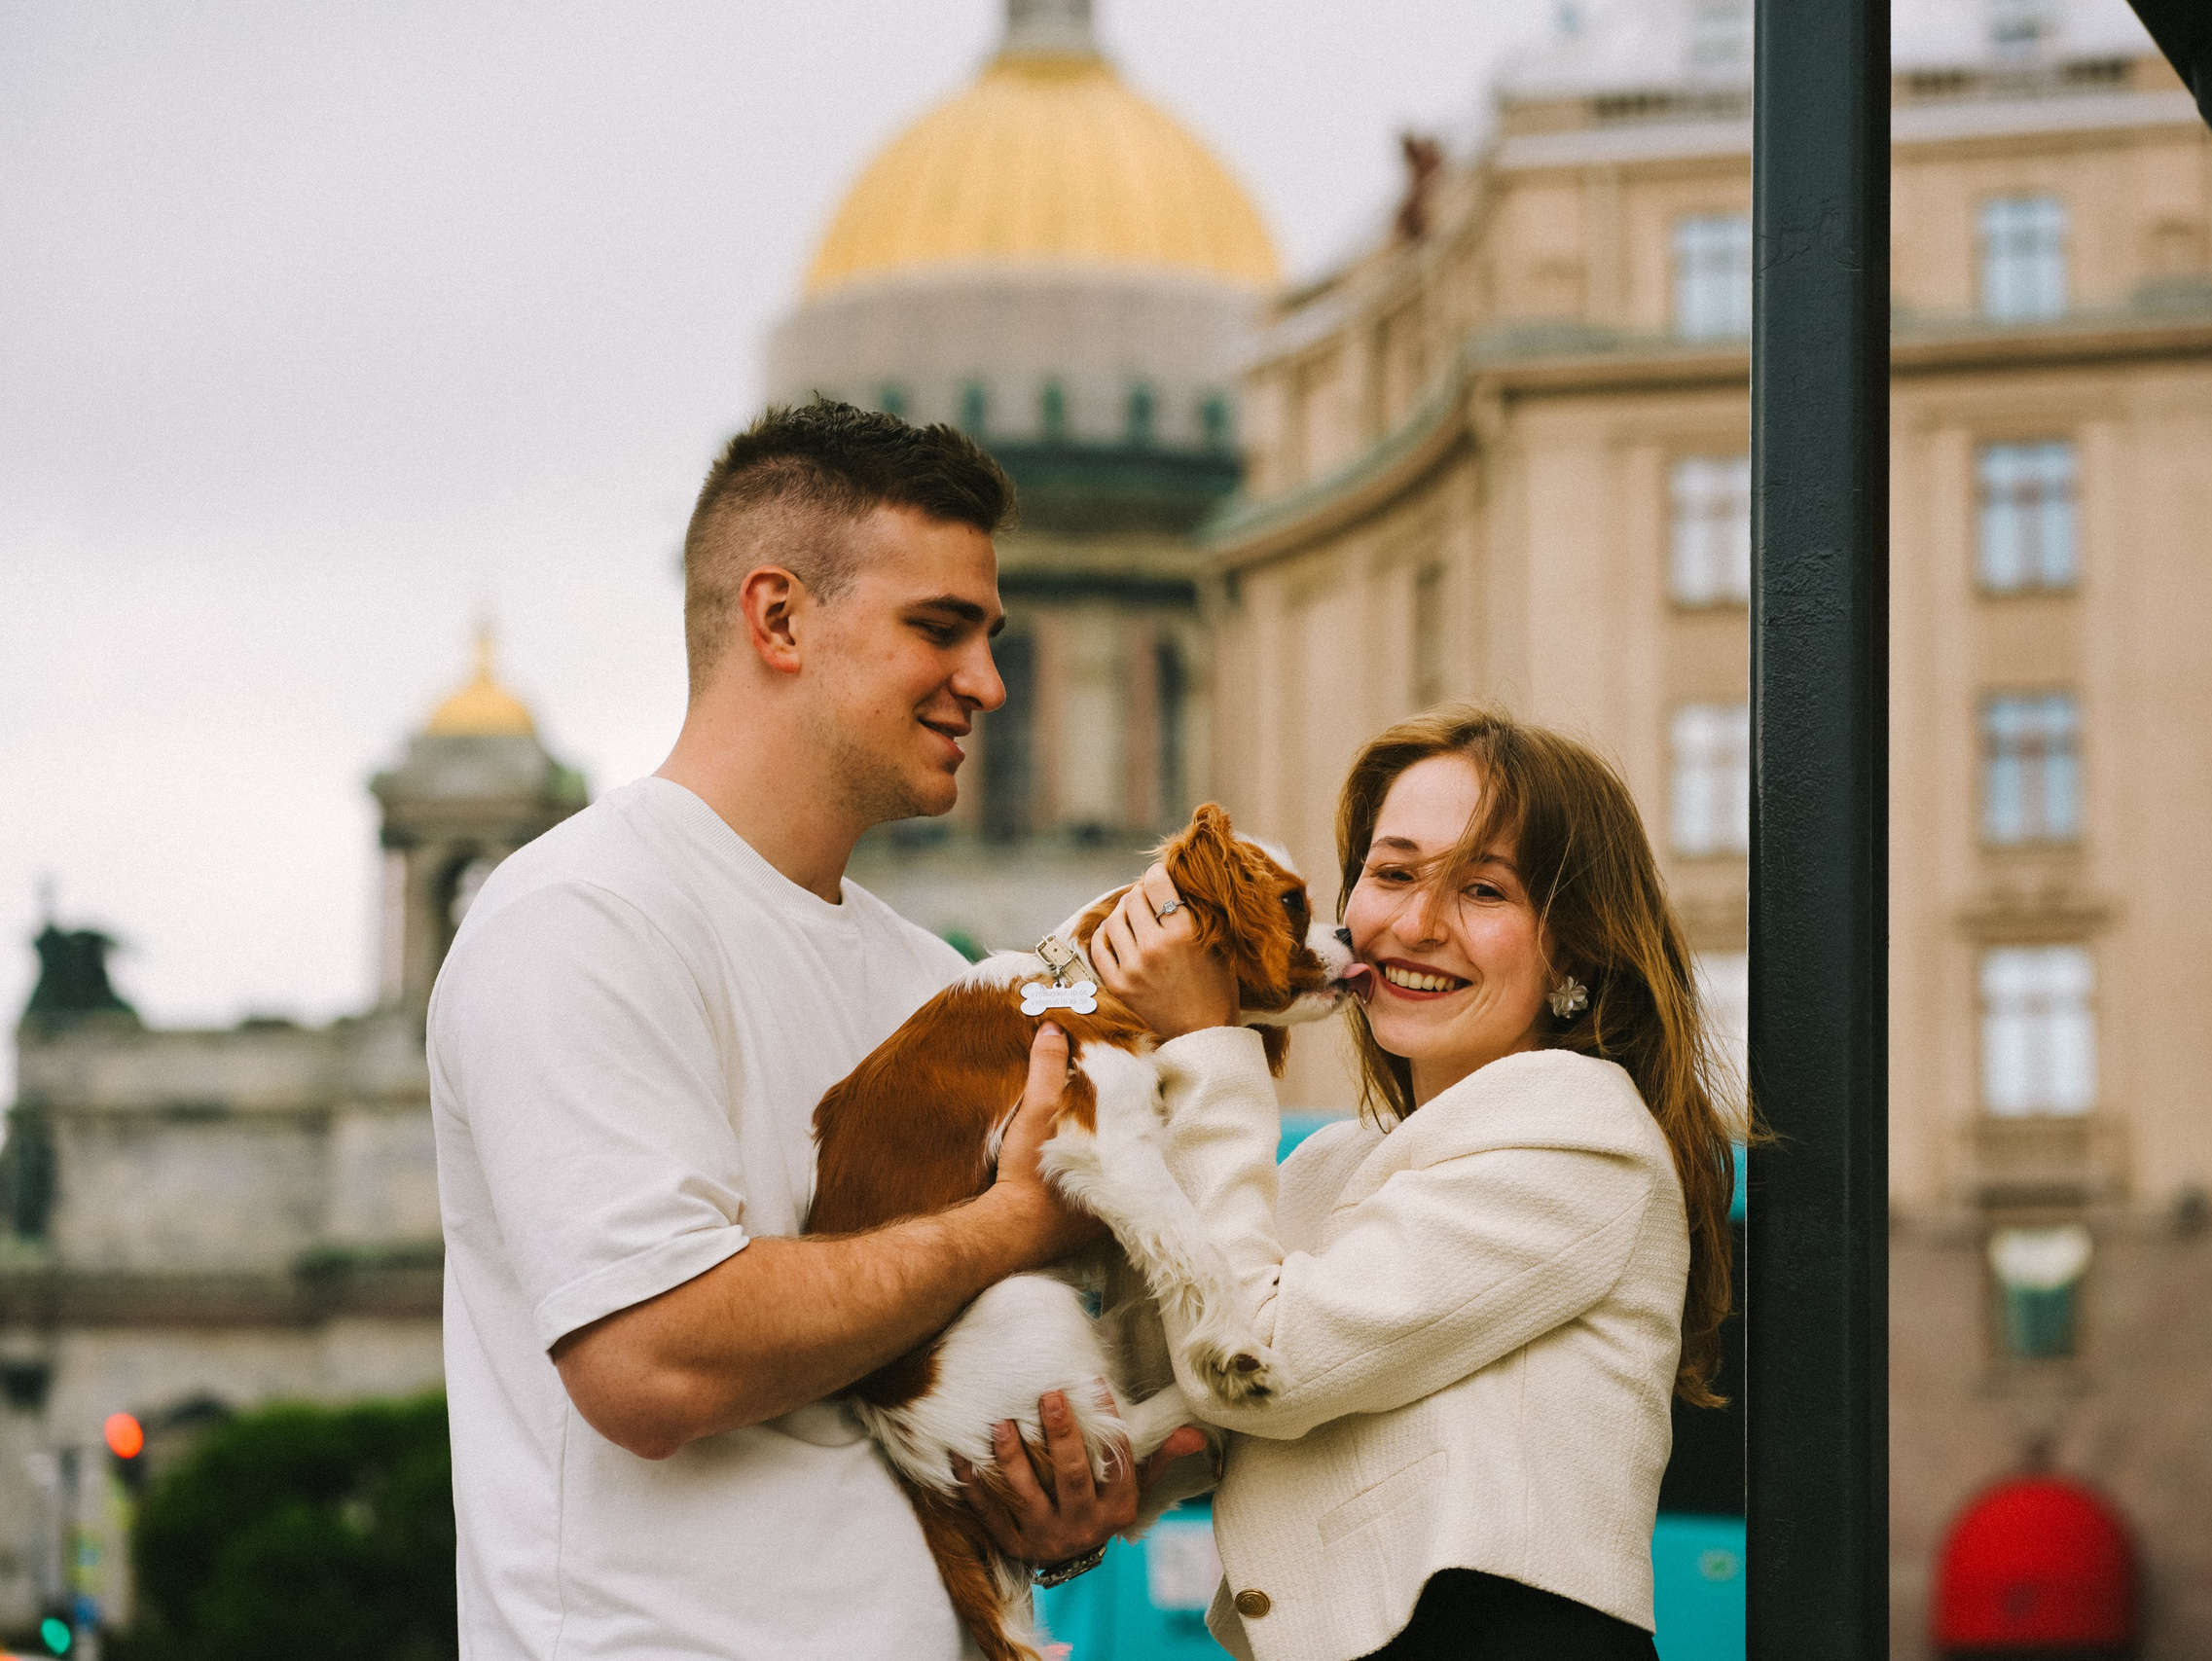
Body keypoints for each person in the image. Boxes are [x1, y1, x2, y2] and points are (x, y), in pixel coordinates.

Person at [426, 399, 1202, 1659]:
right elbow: (650, 1359)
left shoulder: (925, 980)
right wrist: (1007, 1221)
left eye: (995, 637)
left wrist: (1051, 1500)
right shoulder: (579, 915)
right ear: (778, 616)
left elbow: (931, 1391)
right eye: (938, 629)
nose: (990, 683)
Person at [1061, 705, 1742, 1661]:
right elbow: (1162, 1366)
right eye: (1391, 873)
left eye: (1483, 889)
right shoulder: (1339, 1164)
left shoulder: (1583, 1133)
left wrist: (1206, 1045)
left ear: (1577, 946)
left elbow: (1256, 1360)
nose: (1415, 926)